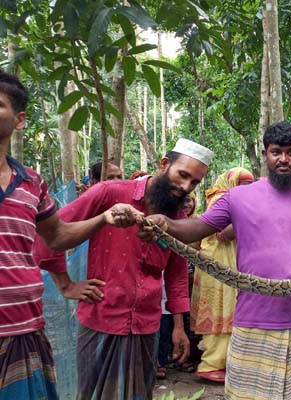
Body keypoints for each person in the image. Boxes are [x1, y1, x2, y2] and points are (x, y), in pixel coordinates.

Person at [138, 121, 291, 399]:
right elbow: (199, 227)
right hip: (252, 320)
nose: (284, 159)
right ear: (265, 154)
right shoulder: (238, 197)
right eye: (276, 152)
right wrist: (165, 223)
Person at [34, 138, 213, 399]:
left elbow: (175, 274)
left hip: (147, 326)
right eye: (182, 175)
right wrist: (66, 285)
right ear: (165, 164)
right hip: (102, 318)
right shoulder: (109, 192)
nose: (185, 187)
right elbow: (51, 234)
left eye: (194, 182)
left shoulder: (177, 219)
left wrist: (178, 326)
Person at [0, 72, 138, 400]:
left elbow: (58, 235)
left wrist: (103, 218)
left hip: (23, 329)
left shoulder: (31, 182)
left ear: (19, 120)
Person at [190, 167, 254, 383]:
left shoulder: (234, 198)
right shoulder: (221, 199)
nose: (246, 191)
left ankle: (224, 363)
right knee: (220, 311)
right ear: (232, 182)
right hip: (217, 264)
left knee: (231, 310)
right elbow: (224, 233)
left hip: (228, 263)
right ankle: (210, 364)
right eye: (243, 186)